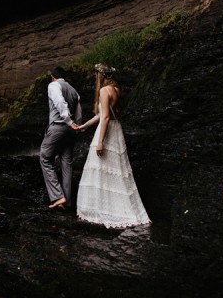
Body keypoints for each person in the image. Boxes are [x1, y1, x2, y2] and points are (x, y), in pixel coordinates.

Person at [73, 63, 150, 228]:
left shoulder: (103, 90)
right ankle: (114, 207)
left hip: (107, 132)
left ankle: (103, 210)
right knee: (116, 171)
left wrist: (100, 141)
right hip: (116, 130)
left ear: (101, 75)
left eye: (97, 75)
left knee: (100, 168)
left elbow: (105, 117)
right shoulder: (115, 89)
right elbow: (104, 114)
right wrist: (85, 125)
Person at [40, 66, 82, 210]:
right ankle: (67, 202)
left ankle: (58, 196)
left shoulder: (53, 85)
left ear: (53, 77)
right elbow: (79, 114)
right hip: (71, 131)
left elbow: (59, 102)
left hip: (58, 126)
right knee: (67, 164)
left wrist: (68, 121)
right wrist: (75, 126)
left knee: (45, 158)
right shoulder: (74, 90)